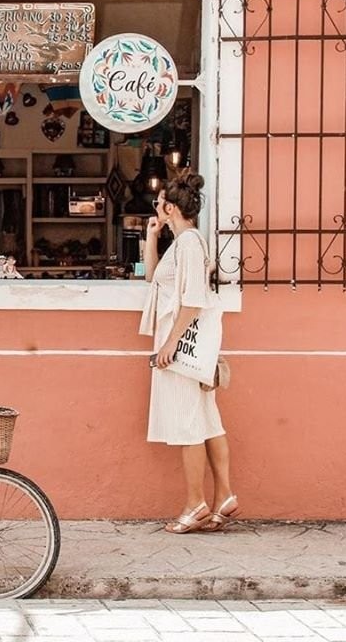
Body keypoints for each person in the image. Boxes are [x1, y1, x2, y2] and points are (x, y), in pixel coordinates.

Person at [139, 174, 239, 534]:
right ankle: (224, 496)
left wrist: (169, 345)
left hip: (181, 351)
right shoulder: (181, 243)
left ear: (170, 207)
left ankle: (195, 503)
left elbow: (194, 300)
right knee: (208, 423)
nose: (157, 209)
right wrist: (152, 235)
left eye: (159, 204)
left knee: (189, 427)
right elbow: (152, 277)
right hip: (187, 349)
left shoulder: (190, 244)